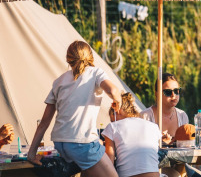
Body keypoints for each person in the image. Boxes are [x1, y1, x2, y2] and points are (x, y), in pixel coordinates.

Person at [27, 40, 122, 177]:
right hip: (81, 144)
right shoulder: (95, 73)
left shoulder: (58, 81)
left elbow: (44, 122)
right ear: (90, 57)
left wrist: (31, 153)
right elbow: (113, 91)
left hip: (60, 144)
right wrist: (117, 100)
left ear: (68, 59)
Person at [103, 92, 161, 177]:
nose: (113, 122)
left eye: (112, 119)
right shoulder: (154, 126)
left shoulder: (112, 127)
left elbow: (109, 163)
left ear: (117, 111)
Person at [140, 73, 188, 145]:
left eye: (176, 91)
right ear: (157, 94)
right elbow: (140, 145)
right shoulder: (145, 116)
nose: (173, 95)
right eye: (168, 92)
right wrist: (159, 142)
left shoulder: (182, 116)